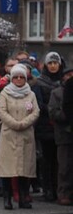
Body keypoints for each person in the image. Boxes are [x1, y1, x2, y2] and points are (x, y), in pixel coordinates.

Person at [0, 63, 39, 210]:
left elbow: (35, 112)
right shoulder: (5, 93)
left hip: (26, 134)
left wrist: (24, 123)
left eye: (22, 77)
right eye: (16, 77)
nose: (19, 80)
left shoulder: (31, 94)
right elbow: (1, 111)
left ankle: (23, 198)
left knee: (24, 169)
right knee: (8, 169)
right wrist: (14, 123)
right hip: (9, 135)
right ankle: (7, 198)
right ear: (12, 79)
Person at [33, 51, 64, 202]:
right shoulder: (39, 82)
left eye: (55, 63)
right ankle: (47, 189)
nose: (53, 66)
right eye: (50, 63)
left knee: (60, 161)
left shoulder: (64, 81)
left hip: (61, 126)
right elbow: (38, 103)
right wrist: (51, 111)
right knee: (46, 159)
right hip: (45, 125)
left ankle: (58, 188)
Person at [48, 66, 73, 205]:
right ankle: (63, 193)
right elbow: (53, 112)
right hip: (64, 133)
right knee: (64, 166)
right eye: (68, 75)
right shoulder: (57, 92)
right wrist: (68, 116)